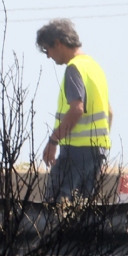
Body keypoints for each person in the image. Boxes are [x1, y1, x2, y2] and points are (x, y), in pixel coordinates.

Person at [36, 19, 112, 201]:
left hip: (75, 152)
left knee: (57, 206)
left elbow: (77, 110)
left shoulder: (74, 68)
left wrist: (53, 141)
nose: (48, 56)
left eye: (48, 50)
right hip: (96, 152)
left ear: (58, 44)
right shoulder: (94, 67)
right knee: (84, 209)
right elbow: (109, 112)